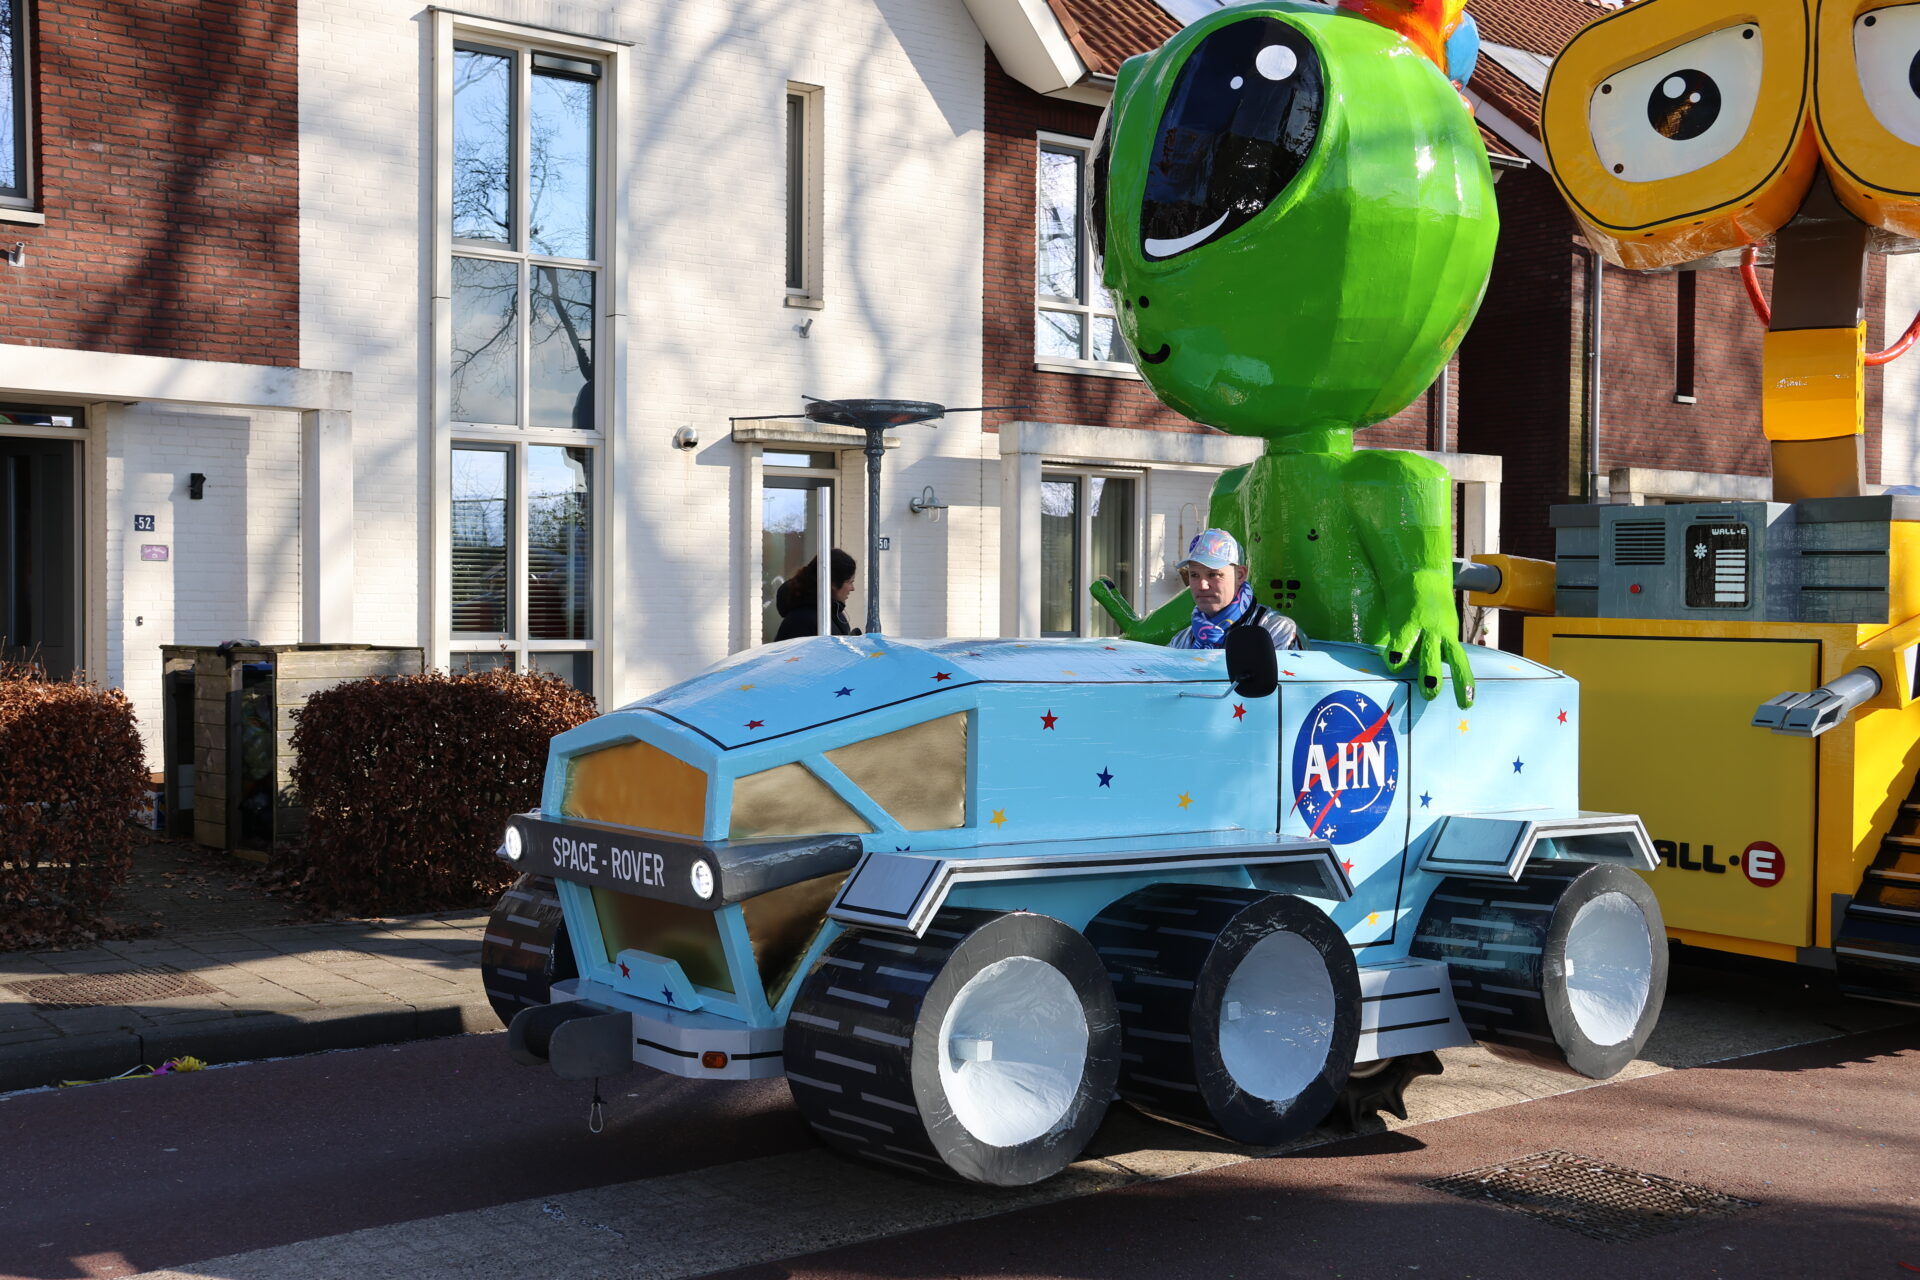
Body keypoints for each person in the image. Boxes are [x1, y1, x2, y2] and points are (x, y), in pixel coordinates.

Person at [1167, 529, 1307, 651]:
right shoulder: (1181, 641)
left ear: (1239, 575)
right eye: (1194, 575)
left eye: (1213, 574)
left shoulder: (1276, 631)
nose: (1202, 585)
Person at [775, 548, 860, 639]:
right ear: (833, 584)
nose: (852, 588)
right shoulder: (801, 621)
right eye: (850, 582)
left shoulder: (834, 613)